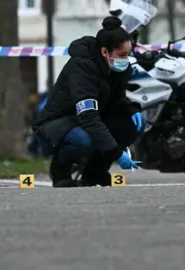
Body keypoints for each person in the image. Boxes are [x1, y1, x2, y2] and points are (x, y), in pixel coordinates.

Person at [32, 16, 146, 188]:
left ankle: (94, 173)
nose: (126, 59)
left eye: (128, 54)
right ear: (104, 52)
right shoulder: (82, 67)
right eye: (122, 55)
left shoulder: (119, 67)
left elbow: (117, 99)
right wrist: (117, 153)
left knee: (131, 124)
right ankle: (60, 170)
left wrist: (131, 109)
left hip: (89, 118)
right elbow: (88, 116)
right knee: (84, 140)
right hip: (59, 123)